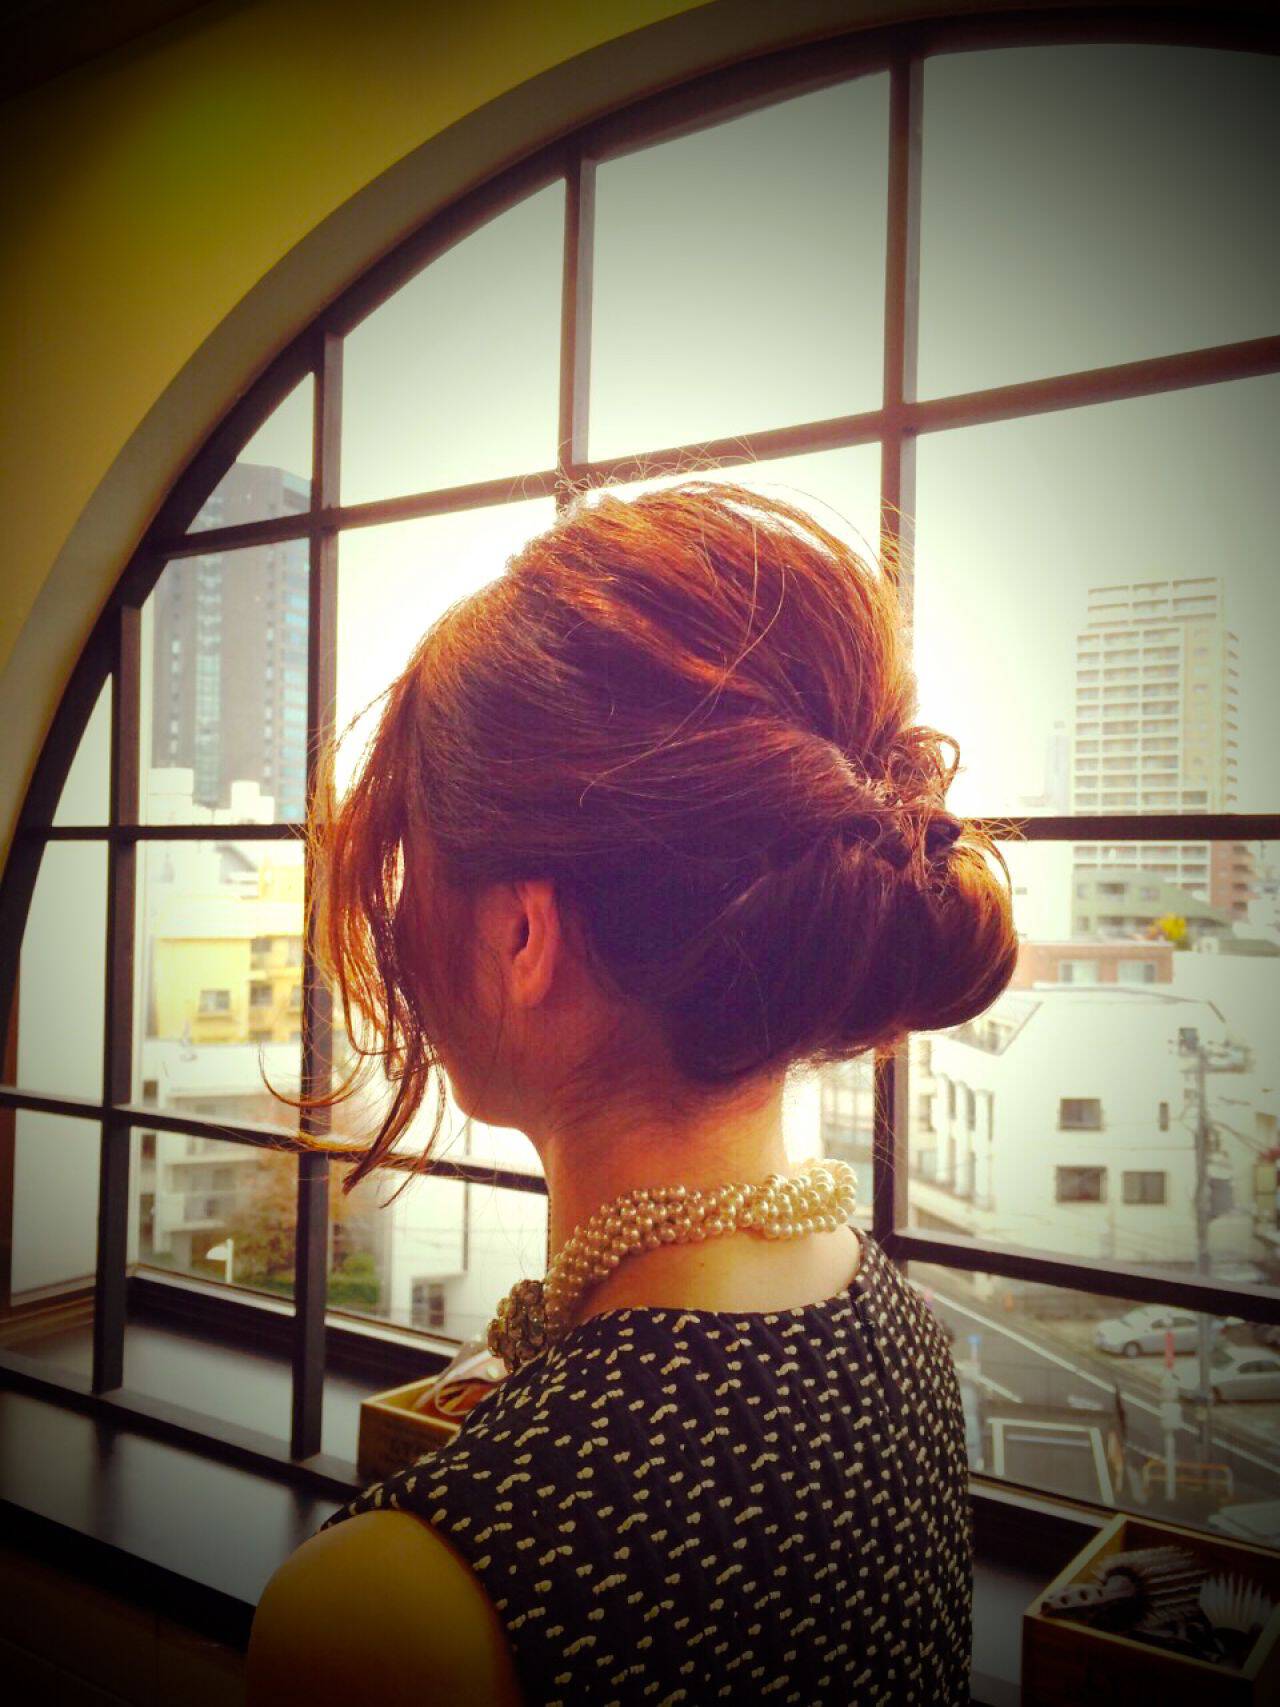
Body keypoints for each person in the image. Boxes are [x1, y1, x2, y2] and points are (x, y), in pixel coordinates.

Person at [246, 478, 1019, 1706]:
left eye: (409, 865)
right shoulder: (900, 1341)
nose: (395, 914)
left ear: (520, 933)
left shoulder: (390, 1615)